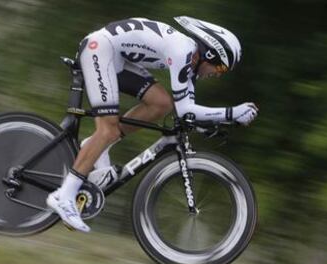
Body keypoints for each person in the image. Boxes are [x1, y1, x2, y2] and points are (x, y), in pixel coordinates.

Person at [46, 16, 259, 232]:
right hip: (99, 50)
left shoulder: (189, 58)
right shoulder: (182, 51)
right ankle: (64, 196)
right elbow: (186, 110)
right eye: (221, 69)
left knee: (161, 103)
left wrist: (208, 123)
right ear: (211, 54)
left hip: (115, 57)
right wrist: (232, 113)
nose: (217, 75)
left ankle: (96, 145)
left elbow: (186, 110)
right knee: (107, 129)